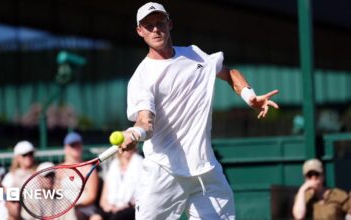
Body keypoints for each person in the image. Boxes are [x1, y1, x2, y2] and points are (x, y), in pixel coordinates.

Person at [119, 2, 279, 219]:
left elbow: (229, 73)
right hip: (163, 172)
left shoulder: (195, 55)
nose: (155, 29)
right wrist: (134, 133)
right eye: (148, 26)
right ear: (140, 31)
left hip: (206, 171)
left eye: (160, 23)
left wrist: (250, 97)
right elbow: (145, 122)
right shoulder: (141, 78)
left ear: (170, 24)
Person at [62, 131, 100, 220]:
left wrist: (74, 206)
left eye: (78, 145)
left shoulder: (89, 169)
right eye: (72, 145)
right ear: (66, 148)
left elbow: (92, 197)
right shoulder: (59, 170)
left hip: (85, 210)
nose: (76, 148)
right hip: (63, 210)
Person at [97, 147, 143, 220]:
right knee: (95, 217)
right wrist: (108, 206)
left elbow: (141, 196)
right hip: (111, 207)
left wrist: (123, 206)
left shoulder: (140, 164)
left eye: (129, 146)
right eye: (123, 145)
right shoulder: (113, 165)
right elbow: (103, 199)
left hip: (130, 208)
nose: (126, 148)